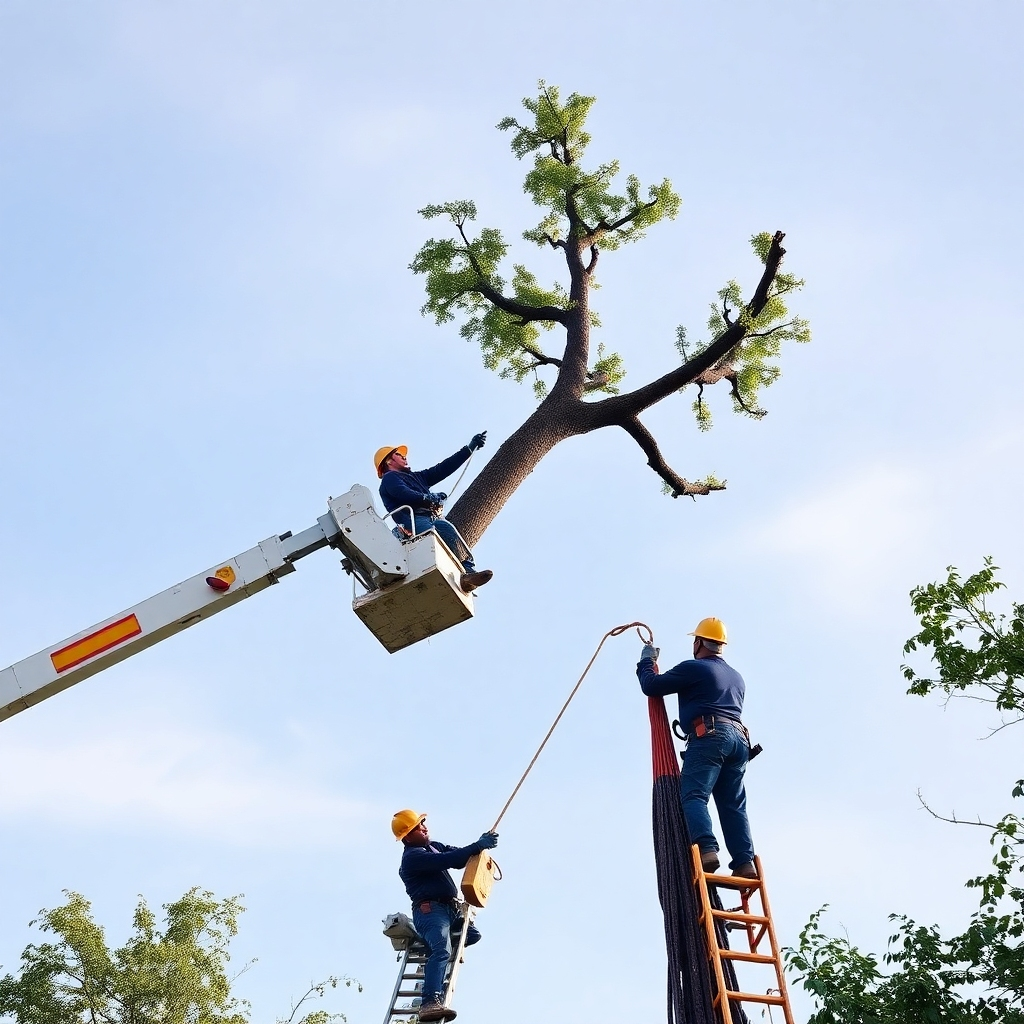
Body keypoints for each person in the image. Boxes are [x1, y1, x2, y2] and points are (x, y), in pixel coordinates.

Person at [636, 617, 757, 879]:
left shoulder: (694, 668)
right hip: (739, 742)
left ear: (699, 642)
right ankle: (745, 862)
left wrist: (647, 661)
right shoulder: (737, 677)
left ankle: (706, 848)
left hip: (710, 735)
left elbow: (652, 687)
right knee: (733, 805)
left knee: (694, 795)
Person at [392, 809, 499, 1023]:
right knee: (442, 950)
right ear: (408, 836)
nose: (424, 827)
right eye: (418, 826)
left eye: (423, 823)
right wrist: (478, 845)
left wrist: (478, 849)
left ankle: (432, 940)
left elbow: (458, 859)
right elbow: (447, 860)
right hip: (430, 911)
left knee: (472, 935)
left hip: (449, 910)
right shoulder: (413, 857)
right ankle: (430, 1002)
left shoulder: (433, 847)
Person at [374, 434, 493, 593]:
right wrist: (427, 498)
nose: (404, 457)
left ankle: (468, 574)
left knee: (447, 530)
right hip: (411, 520)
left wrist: (469, 449)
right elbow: (402, 493)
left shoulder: (418, 477)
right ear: (389, 461)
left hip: (430, 517)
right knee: (432, 534)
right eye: (399, 454)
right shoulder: (390, 479)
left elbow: (443, 468)